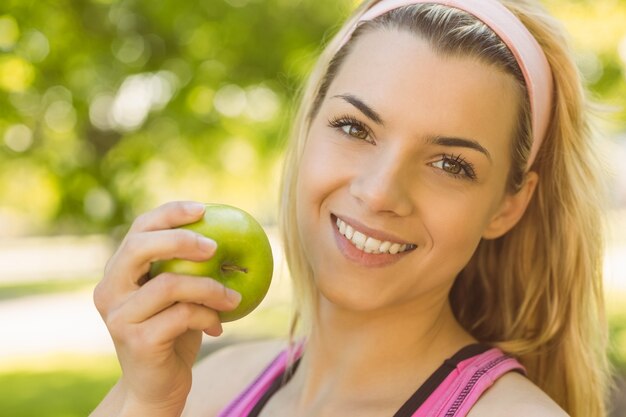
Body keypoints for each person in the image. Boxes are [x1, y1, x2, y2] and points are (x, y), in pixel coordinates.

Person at [90, 0, 612, 416]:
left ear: (507, 206)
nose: (381, 192)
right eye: (355, 128)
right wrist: (145, 402)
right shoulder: (202, 388)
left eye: (451, 164)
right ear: (309, 126)